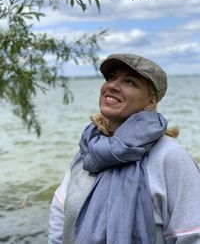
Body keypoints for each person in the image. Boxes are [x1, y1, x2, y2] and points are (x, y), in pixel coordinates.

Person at [48, 53, 200, 244]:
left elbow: (192, 236)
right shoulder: (89, 149)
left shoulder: (170, 157)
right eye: (111, 77)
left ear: (150, 102)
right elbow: (59, 216)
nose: (112, 86)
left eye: (129, 82)